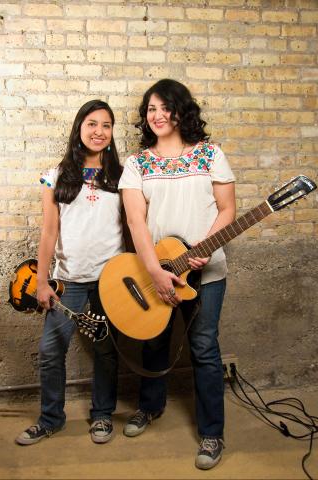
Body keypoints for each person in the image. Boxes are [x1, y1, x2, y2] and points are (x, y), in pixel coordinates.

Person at [118, 79, 236, 470]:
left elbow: (227, 209)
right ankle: (149, 407)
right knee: (153, 342)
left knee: (204, 348)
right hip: (156, 270)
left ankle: (212, 433)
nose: (157, 115)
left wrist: (203, 248)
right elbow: (136, 220)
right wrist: (155, 270)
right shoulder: (138, 163)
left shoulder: (209, 154)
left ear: (181, 110)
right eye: (151, 109)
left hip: (206, 271)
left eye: (165, 107)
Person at [15, 99, 125, 446]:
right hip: (69, 281)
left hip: (111, 280)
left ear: (111, 133)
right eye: (92, 123)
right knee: (50, 350)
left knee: (106, 351)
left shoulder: (123, 176)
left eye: (106, 125)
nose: (99, 131)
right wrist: (44, 280)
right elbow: (49, 232)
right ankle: (51, 419)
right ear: (79, 128)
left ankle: (103, 415)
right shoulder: (56, 175)